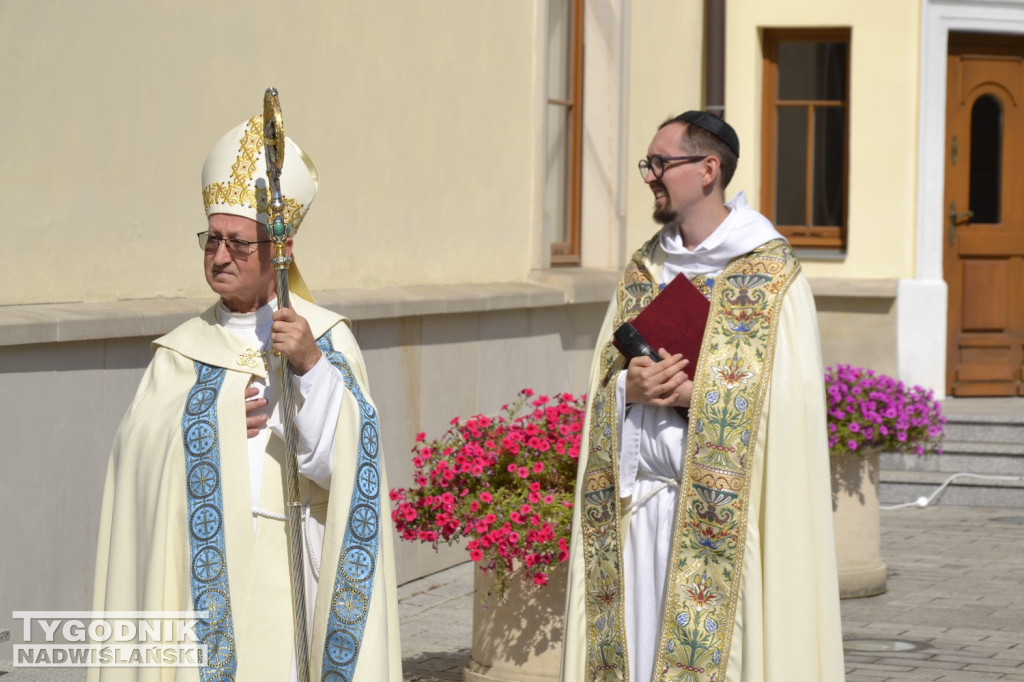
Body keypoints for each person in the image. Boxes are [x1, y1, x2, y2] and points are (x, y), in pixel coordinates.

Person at [90, 115, 401, 681]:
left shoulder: (324, 337)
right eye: (212, 239)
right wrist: (206, 422)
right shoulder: (181, 349)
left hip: (286, 559)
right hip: (197, 571)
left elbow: (353, 467)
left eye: (238, 243)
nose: (220, 256)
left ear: (280, 249)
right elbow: (133, 459)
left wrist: (309, 368)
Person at [561, 111, 844, 682]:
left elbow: (790, 417)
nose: (651, 176)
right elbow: (603, 383)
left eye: (661, 163)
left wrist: (700, 396)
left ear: (708, 169)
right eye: (650, 164)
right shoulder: (644, 271)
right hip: (636, 517)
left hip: (724, 529)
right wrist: (628, 389)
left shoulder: (770, 277)